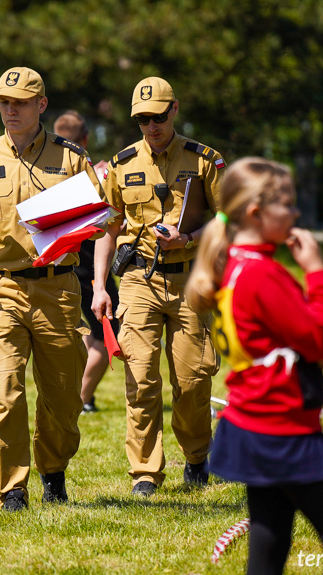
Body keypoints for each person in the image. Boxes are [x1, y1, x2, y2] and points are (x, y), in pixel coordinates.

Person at [185, 157, 323, 574]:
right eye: (286, 203)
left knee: (269, 541)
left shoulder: (232, 265)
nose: (296, 212)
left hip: (250, 424)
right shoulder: (263, 275)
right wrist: (318, 272)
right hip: (283, 432)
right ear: (256, 212)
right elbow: (320, 342)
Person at [0, 67, 101, 512]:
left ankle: (53, 470)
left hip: (58, 291)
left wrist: (87, 222)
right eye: (3, 103)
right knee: (5, 388)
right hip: (1, 291)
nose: (9, 110)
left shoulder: (71, 158)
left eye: (20, 102)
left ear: (41, 106)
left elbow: (97, 222)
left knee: (64, 399)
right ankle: (12, 489)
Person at [91, 76, 224, 495]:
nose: (151, 126)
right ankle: (145, 473)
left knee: (192, 381)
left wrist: (188, 238)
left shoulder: (205, 160)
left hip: (191, 278)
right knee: (141, 378)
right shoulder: (122, 164)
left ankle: (197, 458)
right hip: (136, 280)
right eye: (143, 119)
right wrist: (99, 287)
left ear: (175, 110)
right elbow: (107, 230)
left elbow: (227, 220)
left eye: (158, 117)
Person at [52, 110, 119, 414]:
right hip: (91, 269)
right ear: (86, 139)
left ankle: (80, 398)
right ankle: (80, 399)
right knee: (109, 337)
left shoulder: (47, 174)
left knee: (91, 335)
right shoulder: (93, 176)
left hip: (62, 268)